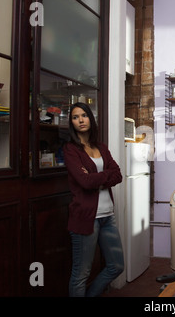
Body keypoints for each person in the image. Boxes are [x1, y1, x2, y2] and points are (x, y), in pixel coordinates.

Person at [64, 102, 124, 297]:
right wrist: (102, 178)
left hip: (108, 216)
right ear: (71, 122)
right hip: (85, 218)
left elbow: (118, 175)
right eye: (75, 117)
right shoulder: (71, 150)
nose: (81, 120)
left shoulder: (101, 147)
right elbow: (84, 181)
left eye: (84, 115)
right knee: (81, 274)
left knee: (116, 266)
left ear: (90, 118)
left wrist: (95, 179)